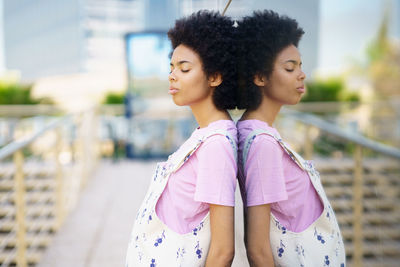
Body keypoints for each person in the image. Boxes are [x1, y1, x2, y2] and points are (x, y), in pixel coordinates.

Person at [125, 11, 238, 267]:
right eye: (172, 67)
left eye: (184, 68)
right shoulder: (205, 133)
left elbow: (223, 251)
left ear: (215, 77)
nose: (172, 75)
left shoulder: (216, 144)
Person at [236, 10, 346, 266]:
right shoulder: (263, 143)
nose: (301, 74)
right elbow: (257, 248)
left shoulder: (251, 130)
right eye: (290, 67)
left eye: (300, 66)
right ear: (260, 77)